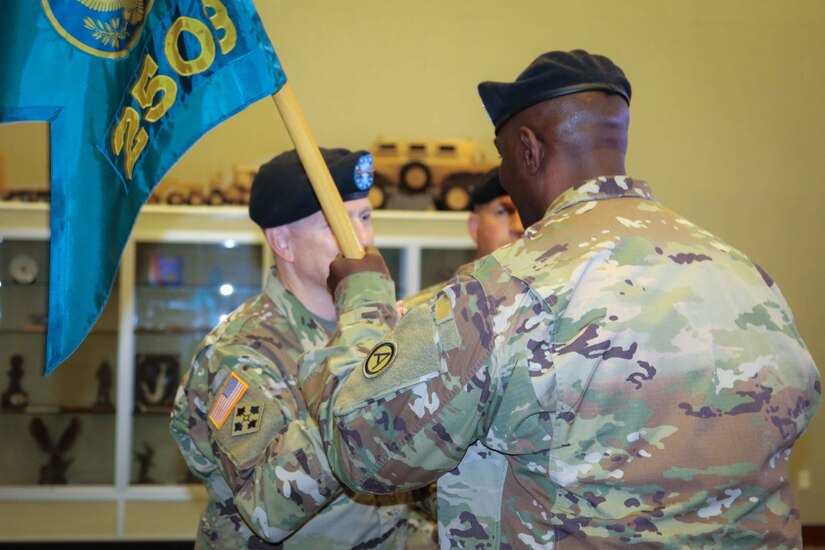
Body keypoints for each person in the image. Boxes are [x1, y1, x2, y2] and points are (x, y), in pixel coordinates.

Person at [299, 50, 821, 548]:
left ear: (527, 150)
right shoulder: (743, 274)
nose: (506, 176)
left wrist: (363, 303)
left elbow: (364, 450)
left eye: (504, 159)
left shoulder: (502, 291)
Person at [169, 148, 411, 548]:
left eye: (365, 217)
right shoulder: (236, 356)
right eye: (336, 224)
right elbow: (270, 506)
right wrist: (366, 370)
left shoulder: (375, 332)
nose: (363, 239)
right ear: (282, 241)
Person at [404, 168, 524, 309]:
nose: (519, 227)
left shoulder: (550, 307)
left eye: (527, 213)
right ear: (474, 226)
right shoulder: (427, 309)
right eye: (502, 212)